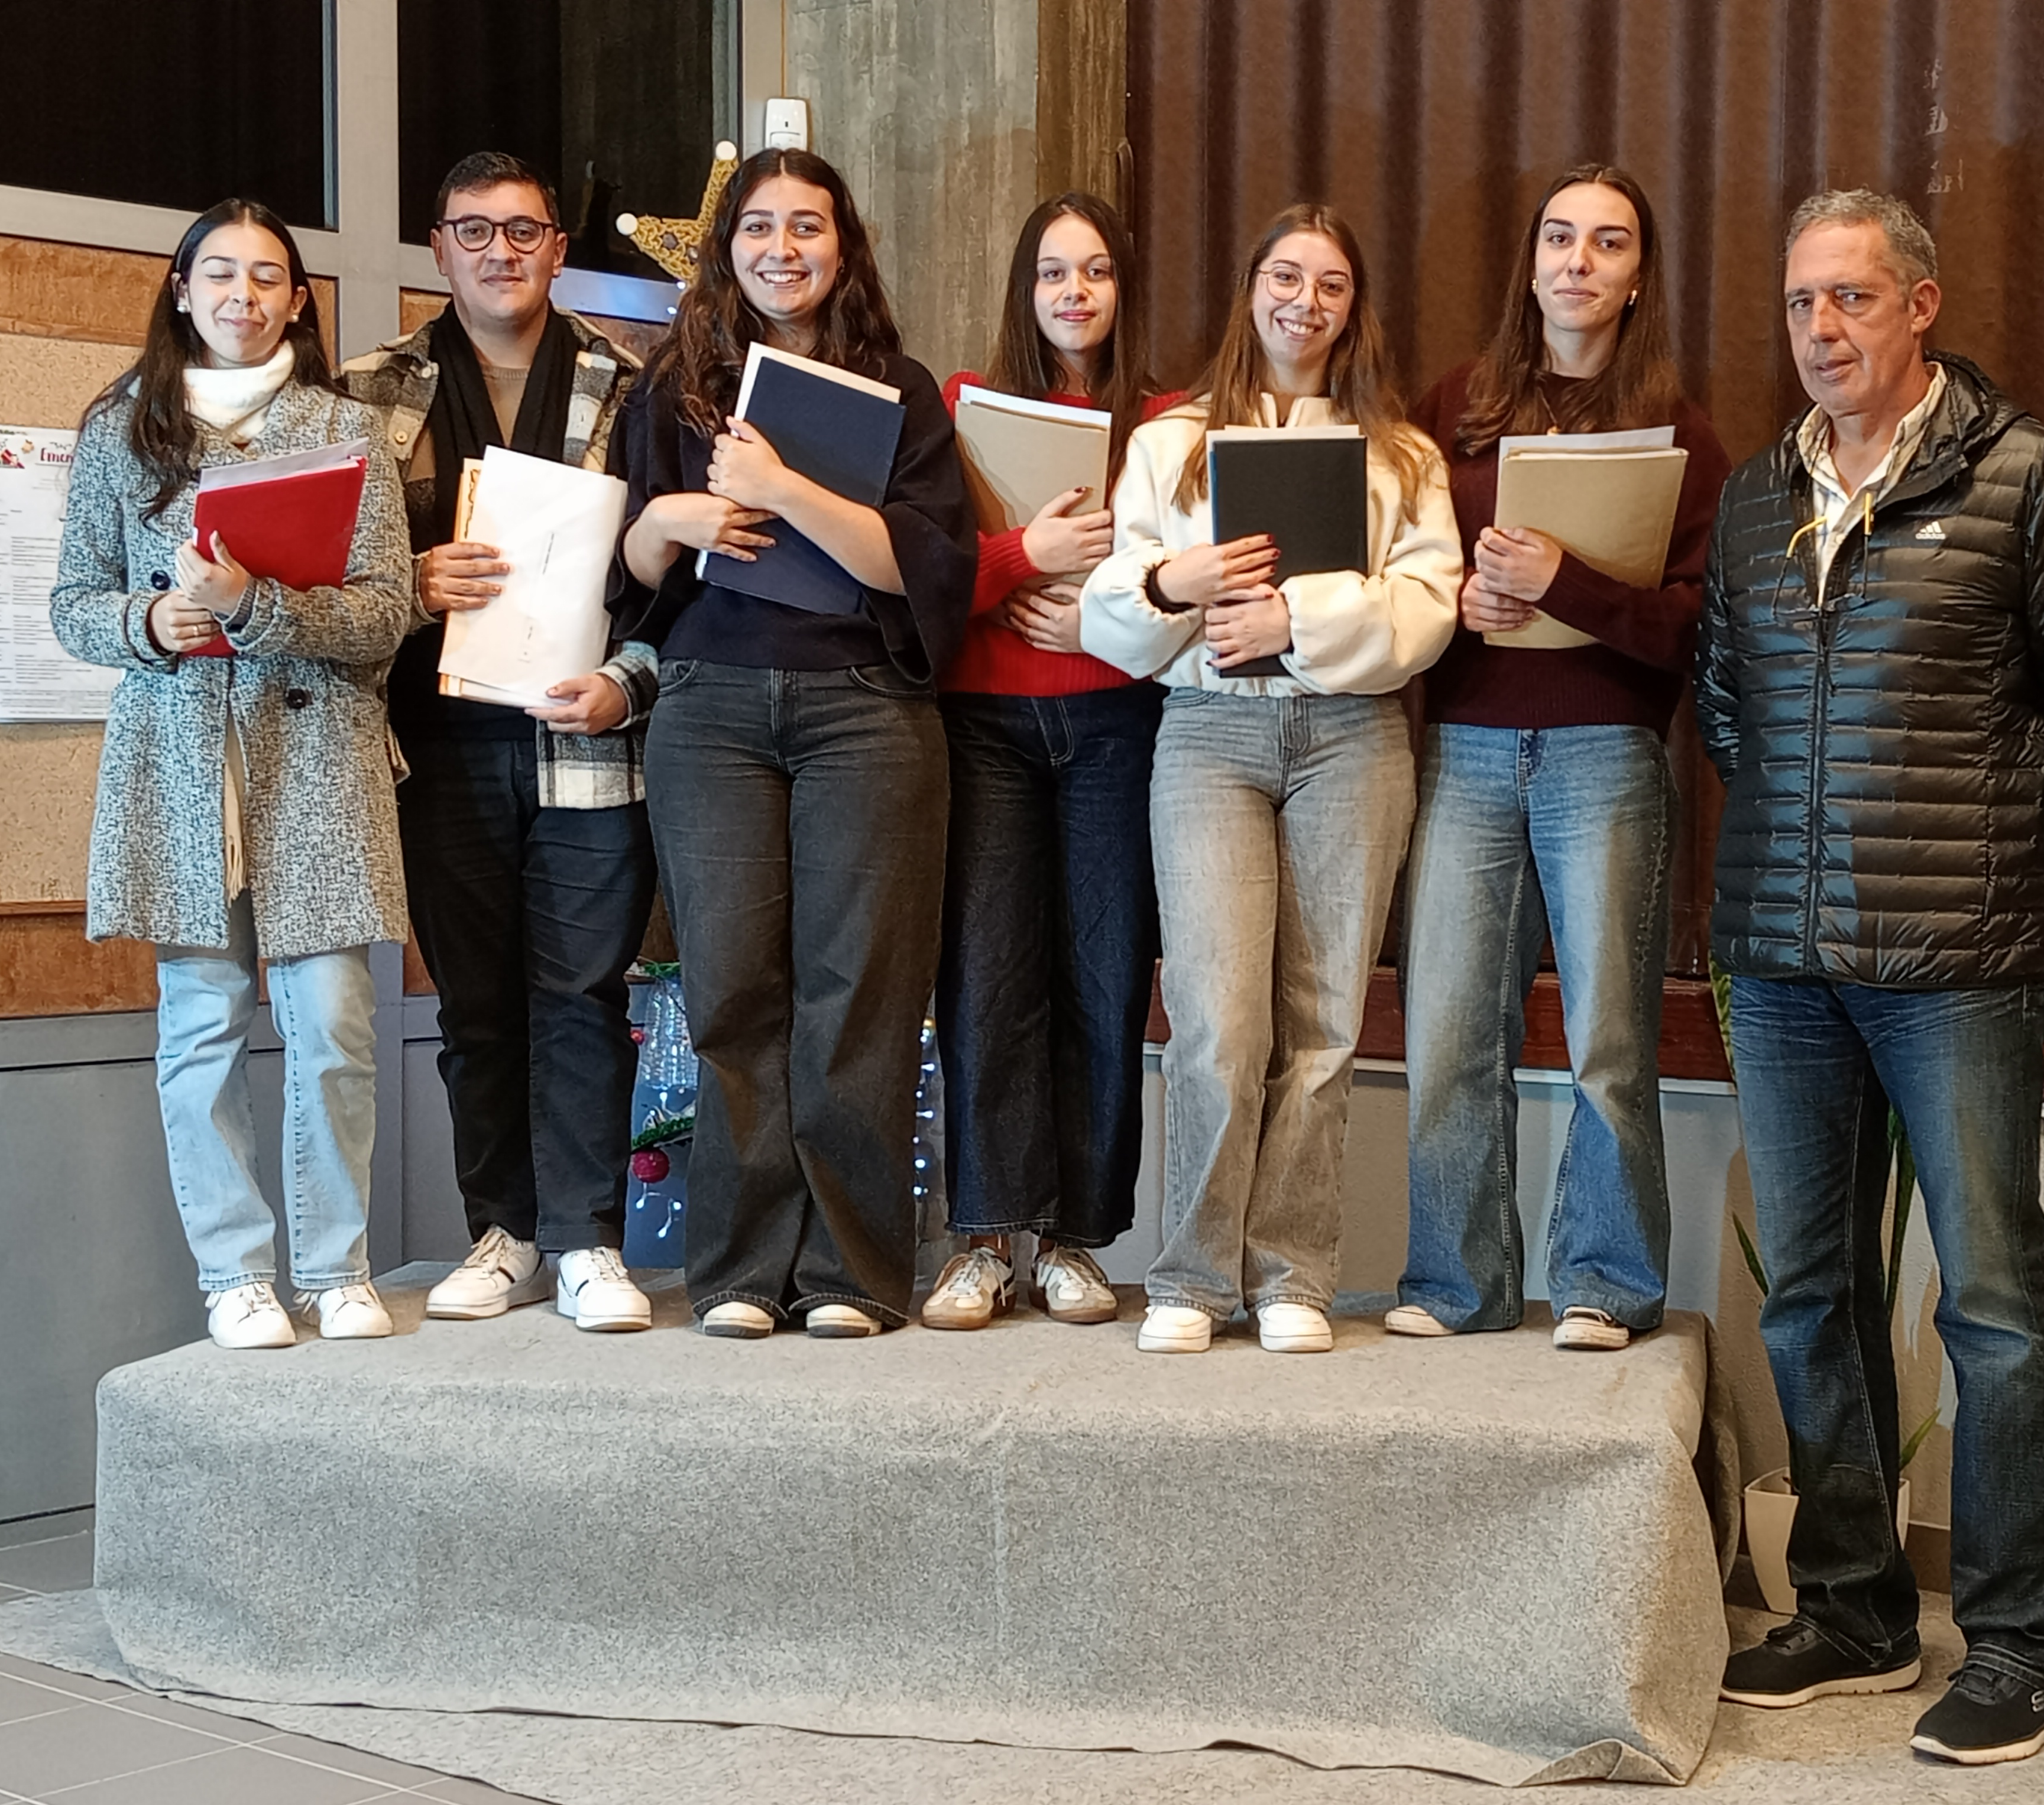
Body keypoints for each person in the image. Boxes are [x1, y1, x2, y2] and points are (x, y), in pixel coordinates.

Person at [1699, 189, 2044, 1764]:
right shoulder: (1758, 495)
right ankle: (1852, 1610)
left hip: (1959, 965)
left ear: (1921, 306)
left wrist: (2014, 892)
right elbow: (1726, 703)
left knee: (1995, 1300)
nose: (1821, 329)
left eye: (1851, 297)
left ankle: (2029, 1644)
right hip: (1783, 961)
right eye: (1800, 303)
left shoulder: (2030, 480)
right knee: (1810, 1296)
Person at [610, 148, 976, 1338]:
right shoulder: (674, 387)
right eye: (759, 227)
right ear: (729, 249)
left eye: (807, 226)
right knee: (730, 989)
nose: (783, 249)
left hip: (865, 707)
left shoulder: (899, 390)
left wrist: (781, 488)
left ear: (844, 246)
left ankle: (850, 1275)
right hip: (711, 707)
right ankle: (737, 1272)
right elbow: (633, 572)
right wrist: (672, 515)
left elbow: (919, 569)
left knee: (859, 992)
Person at [1082, 202, 1459, 1355]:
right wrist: (1179, 581)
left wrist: (1297, 620)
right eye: (1287, 277)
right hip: (1208, 736)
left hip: (1352, 737)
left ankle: (1293, 1274)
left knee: (1326, 1021)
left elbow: (1428, 609)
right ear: (1252, 290)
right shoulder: (1173, 442)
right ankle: (1194, 1278)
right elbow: (1111, 608)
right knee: (1216, 1021)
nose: (1306, 301)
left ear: (1355, 308)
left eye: (1331, 284)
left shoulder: (1403, 454)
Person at [50, 199, 412, 1349]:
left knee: (336, 1023)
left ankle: (337, 1265)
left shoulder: (346, 429)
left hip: (318, 757)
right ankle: (235, 1275)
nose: (242, 295)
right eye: (219, 273)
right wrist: (151, 621)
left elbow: (387, 612)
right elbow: (72, 604)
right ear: (182, 288)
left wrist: (258, 605)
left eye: (266, 277)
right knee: (202, 1023)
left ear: (297, 299)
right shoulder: (123, 427)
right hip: (181, 756)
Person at [1395, 163, 1730, 1350]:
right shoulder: (1454, 405)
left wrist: (1565, 586)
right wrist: (1454, 607)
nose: (1579, 261)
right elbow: (1396, 567)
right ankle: (1458, 1285)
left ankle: (1604, 1284)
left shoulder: (1680, 433)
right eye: (1559, 238)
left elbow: (1697, 628)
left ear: (1639, 279)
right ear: (1530, 264)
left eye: (1608, 243)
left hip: (1607, 754)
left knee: (1611, 1041)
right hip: (1467, 747)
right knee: (1449, 1035)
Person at [342, 152, 657, 1334]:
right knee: (476, 1006)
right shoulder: (367, 392)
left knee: (582, 994)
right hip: (438, 745)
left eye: (523, 230)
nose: (499, 251)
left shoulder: (632, 388)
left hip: (589, 737)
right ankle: (507, 1233)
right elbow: (327, 583)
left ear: (558, 248)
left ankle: (589, 1241)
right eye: (473, 231)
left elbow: (671, 584)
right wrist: (409, 582)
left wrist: (629, 684)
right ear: (439, 248)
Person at [922, 192, 1177, 1332]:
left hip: (1119, 723)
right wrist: (1025, 554)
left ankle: (1074, 1238)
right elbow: (932, 576)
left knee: (1104, 977)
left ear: (1124, 287)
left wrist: (1098, 617)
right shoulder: (962, 408)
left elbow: (1187, 591)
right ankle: (984, 1235)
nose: (1076, 292)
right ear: (1024, 289)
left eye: (1098, 271)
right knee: (986, 975)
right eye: (1053, 272)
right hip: (984, 723)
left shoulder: (1169, 425)